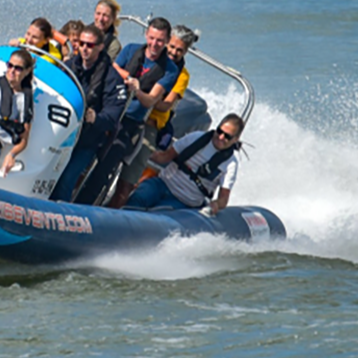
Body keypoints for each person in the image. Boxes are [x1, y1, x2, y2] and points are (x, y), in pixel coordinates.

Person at [74, 16, 179, 206]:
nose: (155, 44)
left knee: (106, 163)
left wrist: (137, 89)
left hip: (130, 121)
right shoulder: (130, 50)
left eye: (160, 40)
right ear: (146, 34)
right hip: (107, 110)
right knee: (82, 152)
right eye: (152, 38)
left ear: (167, 41)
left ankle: (84, 205)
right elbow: (111, 68)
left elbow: (150, 100)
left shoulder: (170, 70)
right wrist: (128, 77)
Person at [108, 24, 196, 205]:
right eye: (171, 46)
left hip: (150, 123)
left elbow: (165, 105)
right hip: (126, 114)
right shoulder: (143, 55)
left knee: (129, 175)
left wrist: (150, 95)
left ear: (186, 52)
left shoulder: (180, 74)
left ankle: (117, 207)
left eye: (180, 50)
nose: (173, 52)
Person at [49, 24, 128, 202]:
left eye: (90, 45)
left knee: (66, 179)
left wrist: (96, 118)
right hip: (60, 131)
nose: (84, 48)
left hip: (87, 139)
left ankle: (59, 212)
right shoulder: (68, 66)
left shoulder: (111, 77)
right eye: (82, 44)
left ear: (100, 47)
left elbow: (113, 114)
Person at [125, 114, 245, 214]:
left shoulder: (230, 164)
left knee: (158, 212)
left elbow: (223, 199)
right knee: (139, 197)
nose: (221, 137)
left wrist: (216, 204)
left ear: (236, 139)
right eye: (219, 131)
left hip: (185, 201)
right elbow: (164, 157)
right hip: (163, 183)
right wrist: (141, 151)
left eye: (227, 136)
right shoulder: (195, 138)